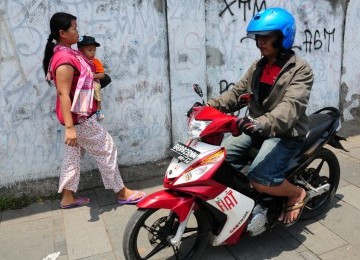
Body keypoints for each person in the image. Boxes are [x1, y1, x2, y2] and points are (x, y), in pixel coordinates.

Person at [206, 8, 313, 226]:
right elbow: (236, 93)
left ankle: (295, 193)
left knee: (260, 179)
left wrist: (260, 123)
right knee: (217, 161)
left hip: (285, 134)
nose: (260, 42)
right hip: (256, 129)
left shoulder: (300, 70)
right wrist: (208, 106)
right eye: (259, 37)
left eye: (267, 37)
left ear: (283, 37)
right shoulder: (258, 66)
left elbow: (291, 107)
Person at [43, 12, 145, 209]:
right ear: (62, 32)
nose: (77, 31)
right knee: (107, 148)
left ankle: (67, 197)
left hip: (76, 118)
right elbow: (63, 94)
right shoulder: (64, 58)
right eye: (74, 28)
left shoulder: (69, 52)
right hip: (78, 119)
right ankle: (122, 192)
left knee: (72, 157)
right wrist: (70, 128)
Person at [77, 35, 106, 121]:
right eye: (90, 50)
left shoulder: (95, 61)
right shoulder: (77, 60)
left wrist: (95, 75)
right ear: (81, 50)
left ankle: (98, 110)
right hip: (81, 84)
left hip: (92, 83)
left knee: (96, 87)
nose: (93, 52)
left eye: (94, 50)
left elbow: (102, 74)